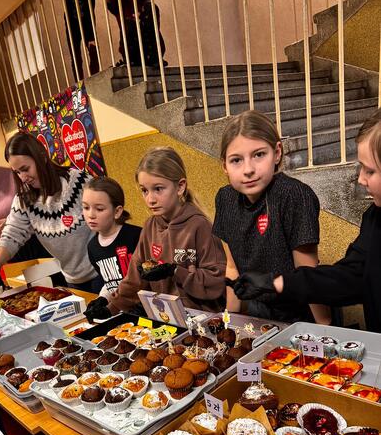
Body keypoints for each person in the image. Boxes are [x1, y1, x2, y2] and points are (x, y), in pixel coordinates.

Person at [231, 108, 381, 333]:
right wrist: (275, 282)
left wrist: (324, 324)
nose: (360, 179)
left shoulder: (295, 195)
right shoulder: (375, 217)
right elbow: (350, 276)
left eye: (370, 171)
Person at [212, 110, 331, 324]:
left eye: (259, 155)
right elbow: (232, 268)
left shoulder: (294, 195)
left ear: (277, 153)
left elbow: (308, 274)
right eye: (236, 160)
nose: (248, 169)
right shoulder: (225, 198)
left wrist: (325, 327)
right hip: (258, 311)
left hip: (300, 311)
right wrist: (230, 323)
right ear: (224, 166)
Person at [85, 146, 226, 321]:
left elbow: (216, 281)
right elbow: (134, 280)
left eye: (158, 189)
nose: (150, 199)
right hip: (165, 318)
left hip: (202, 320)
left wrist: (176, 271)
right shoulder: (149, 226)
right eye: (145, 190)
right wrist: (110, 307)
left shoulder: (200, 225)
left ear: (180, 186)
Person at [0, 132, 101, 297]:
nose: (23, 178)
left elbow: (109, 221)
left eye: (25, 169)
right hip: (73, 280)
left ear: (42, 157)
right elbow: (12, 234)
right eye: (17, 172)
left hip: (102, 273)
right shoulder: (24, 199)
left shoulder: (80, 182)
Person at [83, 176, 141, 297]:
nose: (91, 215)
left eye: (99, 209)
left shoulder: (137, 236)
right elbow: (109, 283)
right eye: (86, 207)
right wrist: (103, 298)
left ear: (117, 211)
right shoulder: (92, 247)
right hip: (119, 306)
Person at [106, 0, 166, 67]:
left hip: (151, 51)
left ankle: (154, 57)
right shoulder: (120, 4)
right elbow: (109, 2)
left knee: (150, 8)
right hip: (132, 52)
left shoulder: (147, 5)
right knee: (129, 24)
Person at [64, 0, 99, 81]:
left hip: (88, 24)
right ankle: (80, 84)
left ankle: (94, 80)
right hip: (72, 25)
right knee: (76, 58)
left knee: (93, 53)